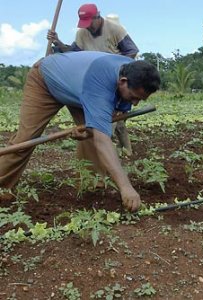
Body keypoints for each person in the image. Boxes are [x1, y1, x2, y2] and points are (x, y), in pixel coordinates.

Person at [0, 51, 161, 212]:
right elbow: (103, 140)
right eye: (134, 97)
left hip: (81, 89)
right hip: (46, 80)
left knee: (93, 135)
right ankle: (2, 186)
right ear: (122, 81)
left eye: (140, 99)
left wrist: (89, 131)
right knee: (26, 139)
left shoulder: (132, 70)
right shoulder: (101, 85)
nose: (135, 103)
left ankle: (92, 188)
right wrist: (126, 187)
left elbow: (105, 120)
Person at [47, 3, 139, 155]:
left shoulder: (115, 29)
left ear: (98, 17)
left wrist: (115, 68)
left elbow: (132, 51)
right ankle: (125, 153)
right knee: (114, 121)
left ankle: (115, 156)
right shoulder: (82, 33)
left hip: (114, 82)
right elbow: (73, 53)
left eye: (90, 23)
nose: (88, 27)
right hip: (94, 83)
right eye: (85, 24)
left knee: (111, 122)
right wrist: (57, 42)